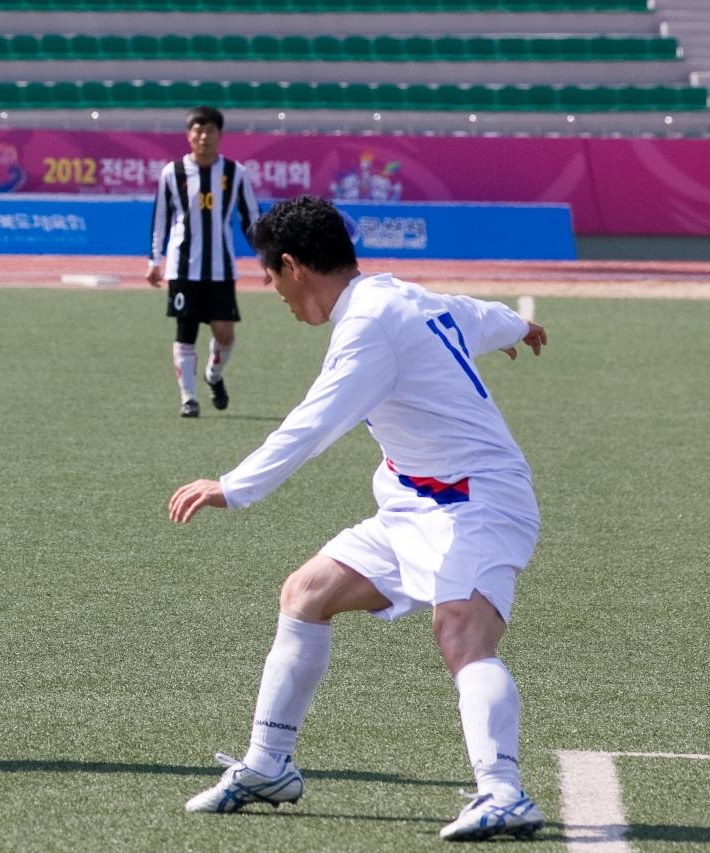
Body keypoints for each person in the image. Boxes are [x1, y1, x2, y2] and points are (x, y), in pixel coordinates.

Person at [169, 196, 549, 842]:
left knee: (460, 633)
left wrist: (231, 486)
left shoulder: (368, 323)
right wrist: (517, 326)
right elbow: (470, 314)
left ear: (292, 266)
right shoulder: (396, 295)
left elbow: (315, 421)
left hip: (480, 501)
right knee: (306, 592)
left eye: (270, 277)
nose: (276, 294)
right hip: (412, 503)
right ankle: (268, 765)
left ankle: (504, 791)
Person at [147, 105, 259, 418]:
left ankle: (213, 375)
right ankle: (189, 397)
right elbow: (160, 218)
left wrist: (266, 257)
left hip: (220, 267)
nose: (203, 136)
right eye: (198, 130)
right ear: (188, 135)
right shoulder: (173, 172)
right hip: (182, 267)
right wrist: (154, 260)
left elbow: (251, 217)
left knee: (225, 333)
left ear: (219, 135)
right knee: (186, 332)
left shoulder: (236, 173)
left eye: (210, 130)